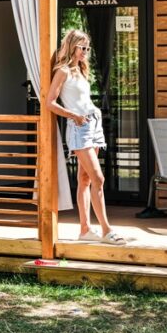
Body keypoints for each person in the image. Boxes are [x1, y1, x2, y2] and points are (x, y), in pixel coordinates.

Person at [44, 29, 127, 245]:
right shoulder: (62, 71)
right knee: (98, 178)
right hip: (79, 127)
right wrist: (74, 115)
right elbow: (50, 102)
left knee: (85, 179)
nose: (85, 52)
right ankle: (107, 230)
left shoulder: (81, 70)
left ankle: (85, 230)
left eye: (87, 48)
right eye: (82, 48)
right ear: (72, 46)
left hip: (93, 125)